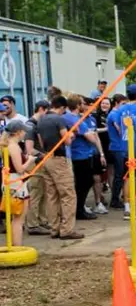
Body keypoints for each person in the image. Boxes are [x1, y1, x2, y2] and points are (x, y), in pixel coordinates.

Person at [35, 96, 83, 239]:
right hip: (59, 159)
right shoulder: (59, 119)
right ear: (62, 107)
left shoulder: (41, 119)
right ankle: (67, 229)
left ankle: (54, 228)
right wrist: (72, 135)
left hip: (47, 157)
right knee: (68, 194)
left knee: (52, 195)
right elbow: (67, 141)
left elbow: (41, 142)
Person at [65, 95, 103, 220]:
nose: (84, 105)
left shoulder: (68, 117)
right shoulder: (75, 119)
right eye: (82, 103)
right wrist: (91, 134)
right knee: (84, 182)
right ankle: (79, 209)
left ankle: (79, 208)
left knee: (83, 182)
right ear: (77, 105)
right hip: (80, 155)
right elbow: (91, 137)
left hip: (80, 154)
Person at [1, 121, 36, 246]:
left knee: (17, 217)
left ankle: (15, 244)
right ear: (17, 132)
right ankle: (17, 245)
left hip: (12, 181)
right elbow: (19, 169)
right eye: (23, 131)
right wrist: (30, 160)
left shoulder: (9, 145)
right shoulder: (13, 147)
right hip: (16, 183)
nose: (25, 133)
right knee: (19, 218)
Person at [24, 100, 53, 235]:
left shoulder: (36, 125)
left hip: (40, 162)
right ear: (41, 109)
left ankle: (42, 220)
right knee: (35, 194)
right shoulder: (30, 126)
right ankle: (33, 224)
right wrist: (45, 155)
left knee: (42, 192)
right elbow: (29, 149)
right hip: (35, 164)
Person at [105, 94, 128, 209]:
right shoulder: (114, 114)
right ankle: (115, 199)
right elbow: (119, 128)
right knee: (119, 174)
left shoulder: (116, 114)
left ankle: (119, 197)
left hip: (119, 147)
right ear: (117, 103)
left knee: (121, 174)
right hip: (117, 147)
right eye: (123, 104)